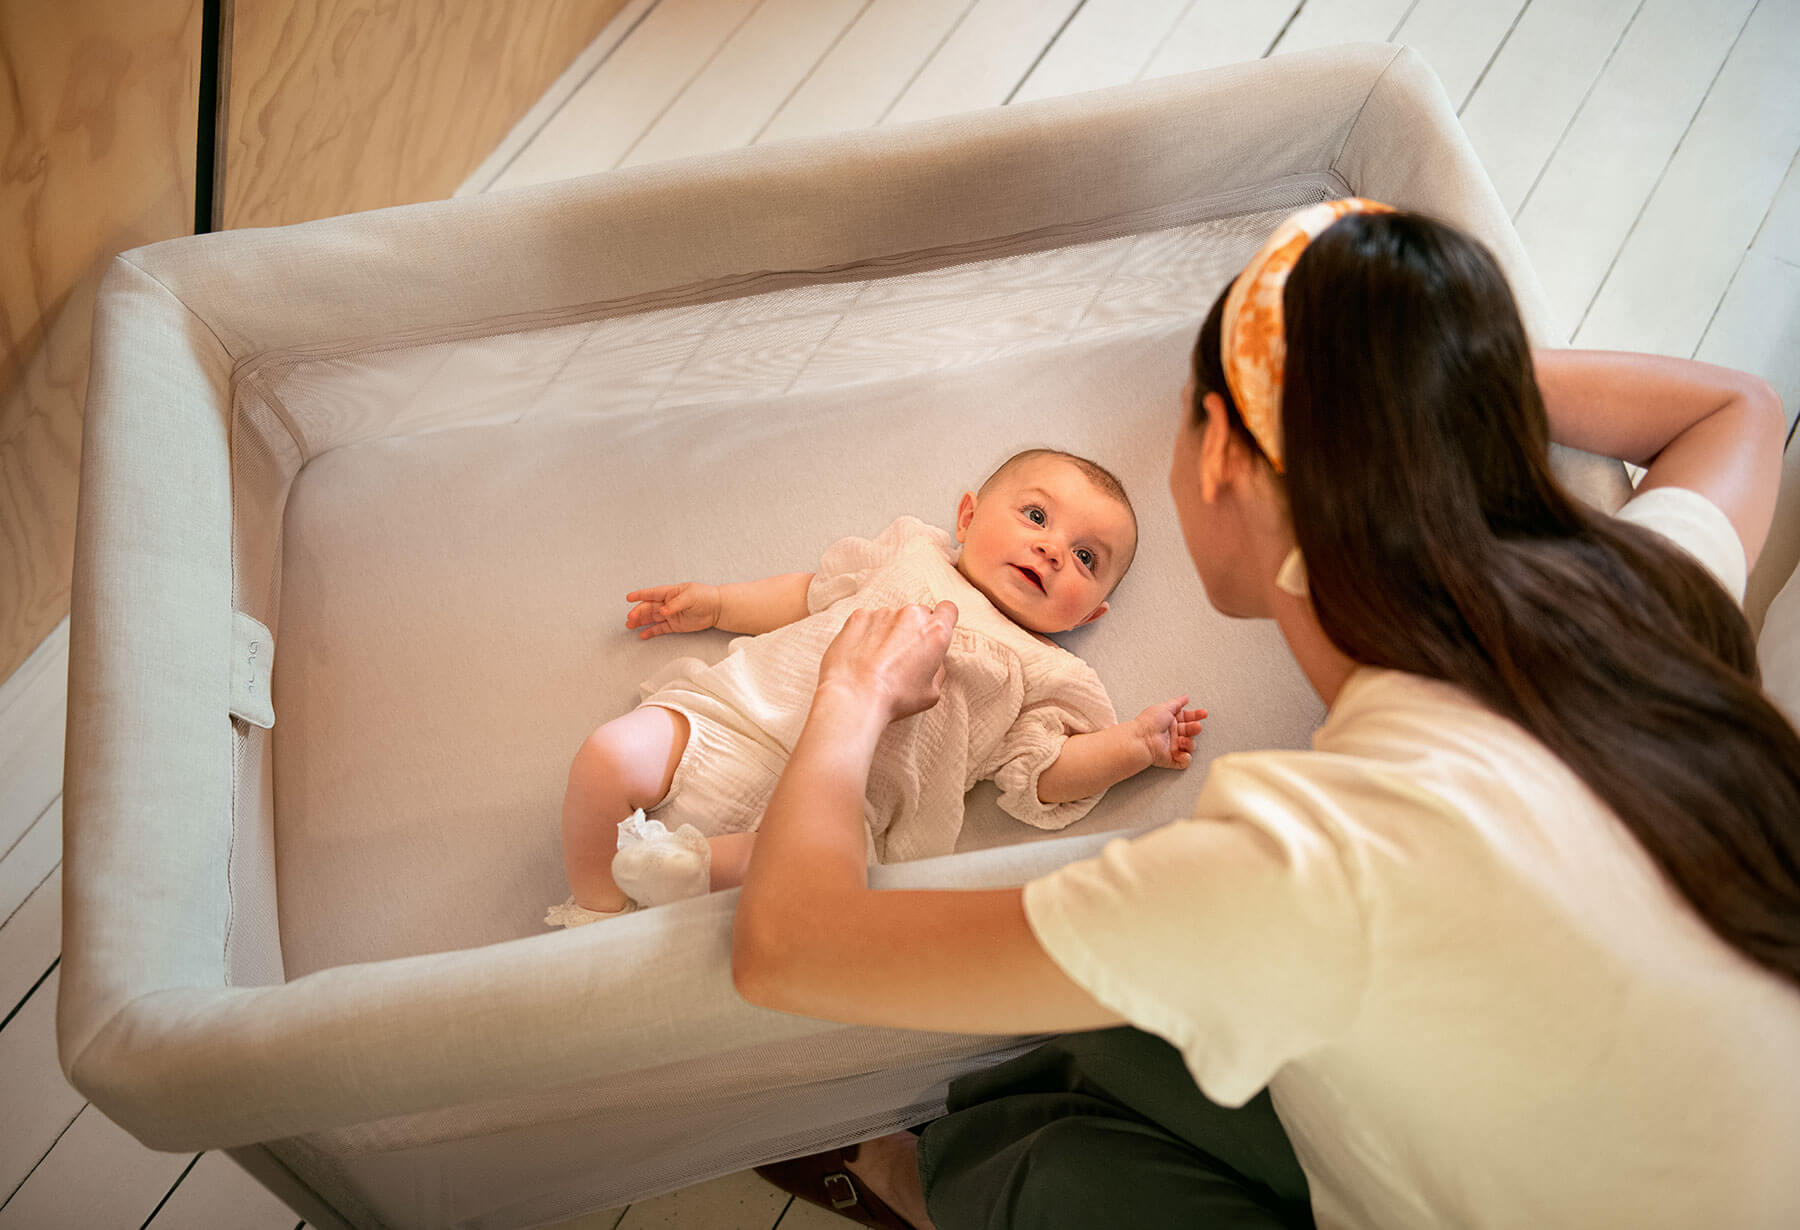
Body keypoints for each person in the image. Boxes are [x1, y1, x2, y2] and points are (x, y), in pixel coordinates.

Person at [733, 200, 1800, 1229]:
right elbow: (1736, 410)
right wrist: (1420, 390)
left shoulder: (1312, 865)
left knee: (1060, 1167)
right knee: (1093, 1032)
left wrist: (852, 698)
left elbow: (787, 947)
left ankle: (918, 1191)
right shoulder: (1634, 596)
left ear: (1221, 459)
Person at [547, 448, 1206, 924]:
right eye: (1036, 515)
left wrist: (1132, 746)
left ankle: (686, 871)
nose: (1053, 549)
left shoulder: (1048, 672)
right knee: (607, 756)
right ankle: (598, 911)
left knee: (791, 870)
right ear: (968, 518)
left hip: (845, 806)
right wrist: (720, 604)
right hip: (739, 719)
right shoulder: (913, 554)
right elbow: (810, 594)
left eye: (1086, 558)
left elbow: (1042, 773)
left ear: (1090, 615)